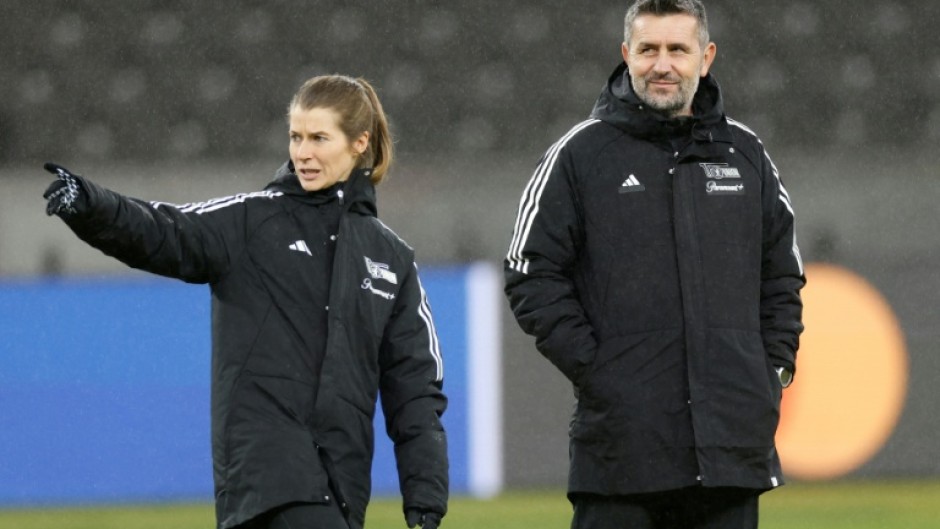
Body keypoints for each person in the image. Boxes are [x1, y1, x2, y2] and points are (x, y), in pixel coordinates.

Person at [42, 75, 448, 529]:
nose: (303, 152)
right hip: (265, 483)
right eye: (295, 137)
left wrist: (425, 502)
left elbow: (414, 391)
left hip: (342, 489)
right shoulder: (251, 221)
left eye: (318, 138)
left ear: (359, 143)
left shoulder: (392, 259)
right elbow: (165, 231)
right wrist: (90, 204)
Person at [503, 1, 805, 528]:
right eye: (648, 49)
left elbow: (781, 275)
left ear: (705, 58)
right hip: (621, 455)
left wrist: (770, 370)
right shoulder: (580, 155)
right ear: (626, 55)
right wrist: (599, 370)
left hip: (728, 453)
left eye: (677, 50)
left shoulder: (745, 154)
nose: (662, 64)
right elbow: (530, 271)